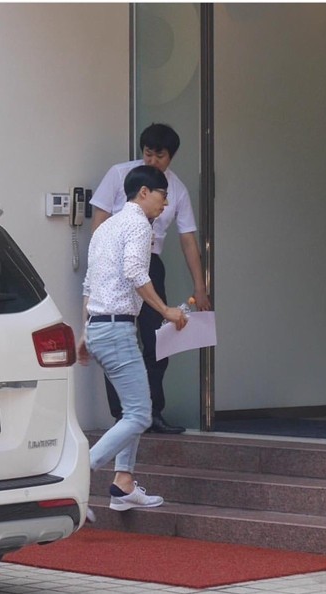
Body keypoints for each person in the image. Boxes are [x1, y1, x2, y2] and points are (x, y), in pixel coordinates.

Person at [77, 165, 187, 512]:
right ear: (143, 193)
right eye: (162, 195)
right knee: (140, 414)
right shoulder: (139, 224)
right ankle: (77, 477)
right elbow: (136, 272)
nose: (165, 204)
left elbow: (90, 286)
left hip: (100, 326)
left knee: (131, 409)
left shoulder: (106, 227)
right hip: (117, 328)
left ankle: (123, 484)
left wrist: (85, 331)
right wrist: (167, 311)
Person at [91, 123, 211, 434]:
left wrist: (200, 286)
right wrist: (100, 263)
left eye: (160, 156)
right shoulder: (120, 174)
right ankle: (123, 416)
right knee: (119, 335)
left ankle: (153, 411)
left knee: (158, 340)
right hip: (117, 264)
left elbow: (187, 239)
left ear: (171, 157)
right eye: (147, 154)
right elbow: (100, 221)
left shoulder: (177, 189)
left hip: (151, 263)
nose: (152, 161)